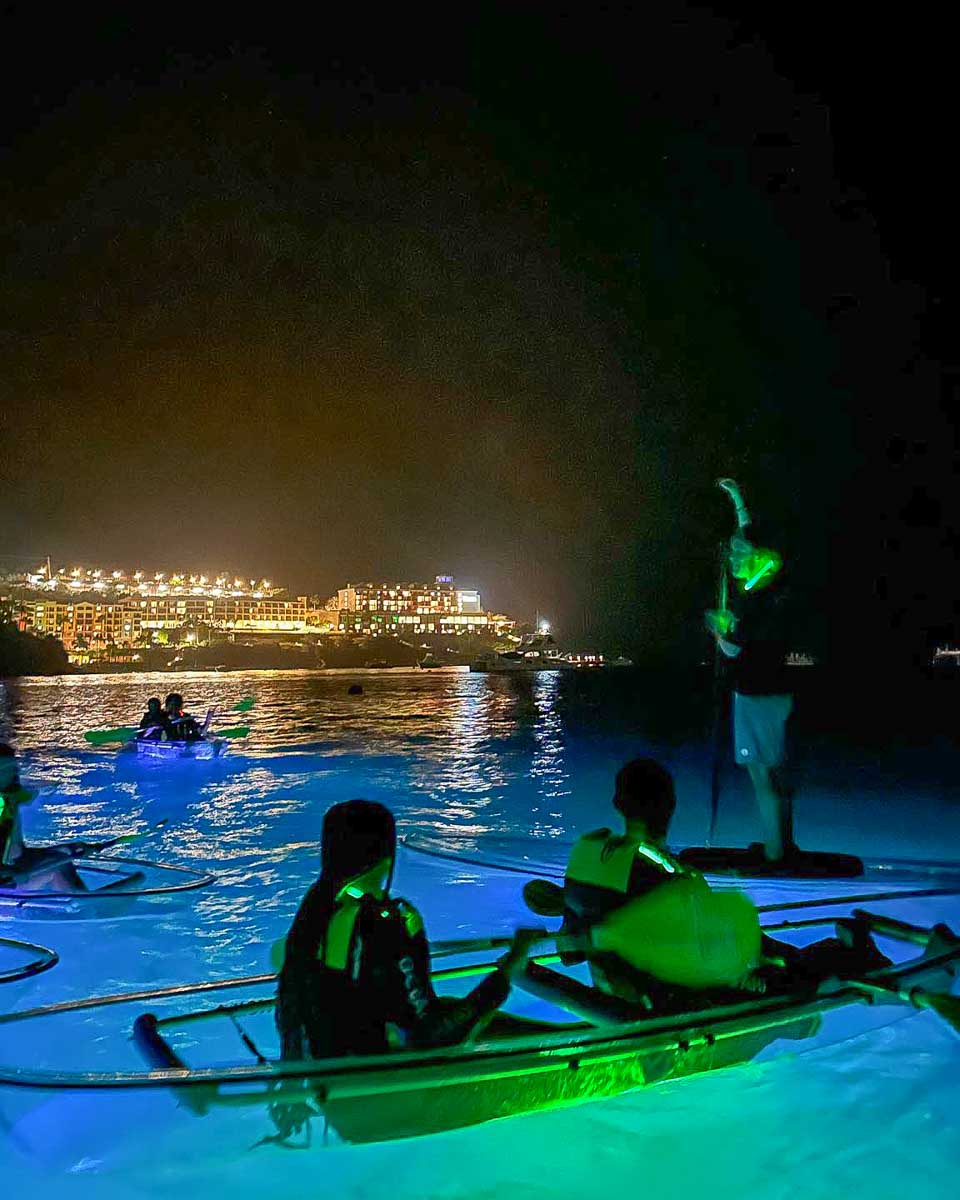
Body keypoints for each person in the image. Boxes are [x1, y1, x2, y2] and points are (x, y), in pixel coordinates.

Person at [559, 757, 887, 1008]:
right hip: (673, 1006)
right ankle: (857, 957)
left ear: (618, 804)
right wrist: (748, 973)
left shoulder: (587, 857)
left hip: (615, 995)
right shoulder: (672, 877)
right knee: (795, 972)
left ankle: (833, 951)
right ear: (671, 805)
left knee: (778, 955)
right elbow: (719, 955)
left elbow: (568, 954)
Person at [275, 799, 538, 1062]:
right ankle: (570, 1043)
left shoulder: (316, 906)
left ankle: (567, 1032)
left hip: (312, 1067)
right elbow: (431, 1035)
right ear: (386, 853)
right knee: (474, 1015)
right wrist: (513, 962)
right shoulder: (385, 919)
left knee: (453, 1006)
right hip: (379, 1079)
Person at [706, 527, 796, 863]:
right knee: (775, 772)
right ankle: (781, 843)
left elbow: (735, 650)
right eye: (730, 553)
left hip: (756, 695)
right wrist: (736, 498)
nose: (732, 558)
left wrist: (718, 630)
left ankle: (774, 853)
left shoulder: (754, 599)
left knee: (761, 775)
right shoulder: (772, 593)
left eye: (738, 553)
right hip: (775, 693)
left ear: (755, 558)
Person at [0, 744, 86, 892]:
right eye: (5, 768)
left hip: (14, 867)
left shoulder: (8, 800)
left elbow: (15, 851)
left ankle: (83, 900)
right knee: (56, 867)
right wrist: (9, 872)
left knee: (60, 857)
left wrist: (66, 847)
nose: (14, 772)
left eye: (13, 767)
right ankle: (84, 909)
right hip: (5, 881)